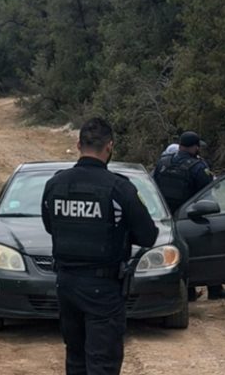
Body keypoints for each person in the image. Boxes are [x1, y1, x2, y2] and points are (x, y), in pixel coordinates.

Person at [42, 117, 158, 375]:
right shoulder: (119, 188)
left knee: (76, 359)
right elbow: (148, 236)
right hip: (102, 288)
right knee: (102, 363)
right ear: (109, 147)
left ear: (78, 145)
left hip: (66, 285)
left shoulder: (55, 184)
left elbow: (51, 227)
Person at [152, 131, 225, 301]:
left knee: (179, 255)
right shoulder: (198, 167)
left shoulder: (163, 163)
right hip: (192, 218)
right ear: (195, 147)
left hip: (167, 218)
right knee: (208, 251)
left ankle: (188, 292)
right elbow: (208, 191)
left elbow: (153, 186)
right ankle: (215, 289)